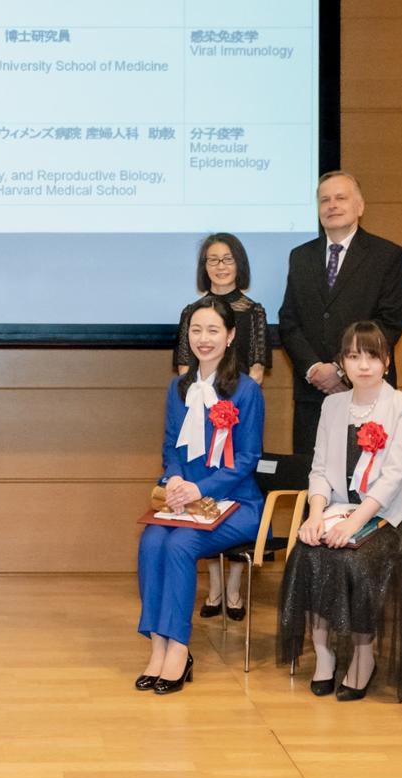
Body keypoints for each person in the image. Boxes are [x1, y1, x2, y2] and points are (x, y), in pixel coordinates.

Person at [278, 321, 402, 702]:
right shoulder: (333, 404)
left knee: (355, 561)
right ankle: (323, 654)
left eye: (372, 356)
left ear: (386, 362)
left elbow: (392, 478)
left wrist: (355, 524)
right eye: (354, 356)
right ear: (342, 362)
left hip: (390, 515)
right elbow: (321, 468)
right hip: (338, 508)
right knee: (308, 552)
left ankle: (363, 654)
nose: (363, 365)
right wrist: (314, 515)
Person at [135, 297, 264, 695]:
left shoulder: (246, 391)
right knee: (152, 541)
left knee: (181, 546)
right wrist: (175, 481)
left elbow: (247, 459)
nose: (203, 339)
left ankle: (179, 648)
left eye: (213, 330)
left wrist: (200, 488)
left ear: (230, 336)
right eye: (196, 330)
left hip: (236, 503)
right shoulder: (179, 387)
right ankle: (158, 644)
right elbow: (171, 447)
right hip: (185, 502)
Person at [174, 232, 269, 623]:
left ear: (239, 263)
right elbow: (184, 365)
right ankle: (212, 587)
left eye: (227, 258)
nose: (220, 265)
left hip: (238, 414)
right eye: (213, 259)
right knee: (201, 496)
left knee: (232, 488)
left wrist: (231, 405)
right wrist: (202, 402)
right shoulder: (191, 311)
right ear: (204, 266)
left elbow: (259, 366)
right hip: (198, 415)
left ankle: (233, 589)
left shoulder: (254, 310)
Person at [279, 171, 402, 455]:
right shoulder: (300, 256)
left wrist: (340, 368)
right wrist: (315, 369)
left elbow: (390, 322)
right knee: (312, 483)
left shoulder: (386, 255)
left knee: (367, 483)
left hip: (367, 391)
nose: (332, 205)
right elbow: (289, 322)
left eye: (340, 198)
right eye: (324, 200)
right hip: (312, 397)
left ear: (360, 207)